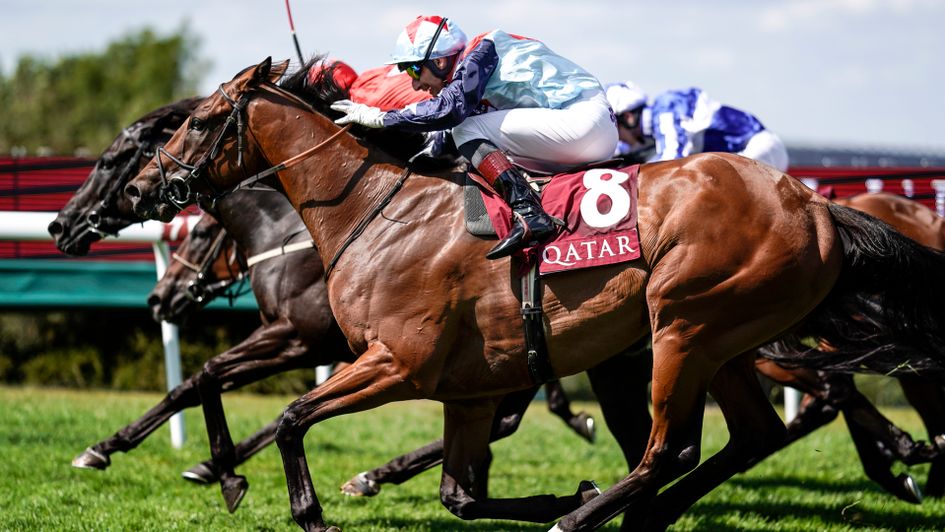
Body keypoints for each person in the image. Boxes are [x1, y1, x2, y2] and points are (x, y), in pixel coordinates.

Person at [330, 15, 618, 260]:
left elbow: (451, 113)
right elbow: (450, 128)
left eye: (414, 68)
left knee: (466, 130)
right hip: (586, 129)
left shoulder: (480, 51)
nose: (415, 83)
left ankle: (529, 213)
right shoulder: (471, 71)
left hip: (583, 122)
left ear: (441, 61)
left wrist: (381, 118)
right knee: (469, 133)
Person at [605, 82, 789, 172]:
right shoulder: (648, 129)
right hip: (743, 157)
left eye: (614, 130)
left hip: (760, 149)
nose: (617, 139)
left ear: (628, 117)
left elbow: (670, 161)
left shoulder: (666, 107)